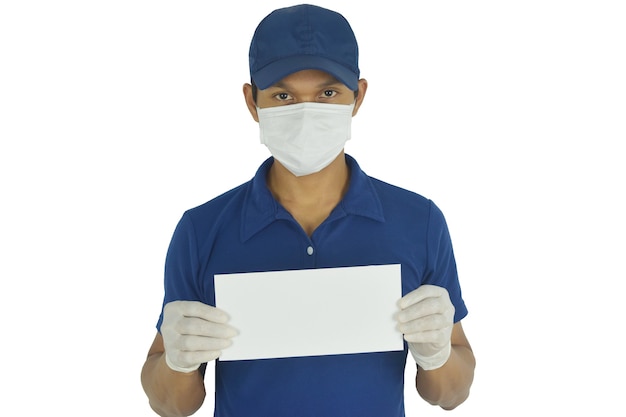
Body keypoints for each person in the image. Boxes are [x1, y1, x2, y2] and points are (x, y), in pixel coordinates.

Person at [141, 4, 475, 417]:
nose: (305, 112)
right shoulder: (202, 229)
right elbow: (171, 406)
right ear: (251, 102)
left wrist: (437, 354)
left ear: (359, 96)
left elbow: (451, 395)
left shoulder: (419, 222)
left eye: (328, 93)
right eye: (283, 95)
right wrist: (177, 361)